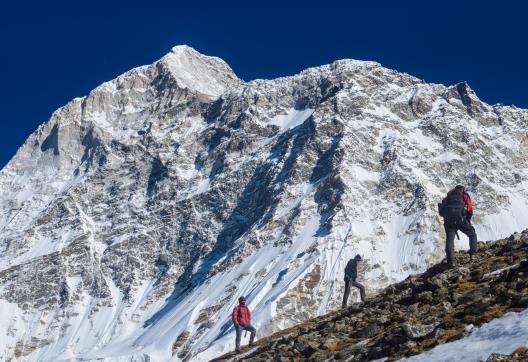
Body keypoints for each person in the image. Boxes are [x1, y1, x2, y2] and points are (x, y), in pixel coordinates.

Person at [438, 185, 478, 267]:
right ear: (463, 189)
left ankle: (451, 261)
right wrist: (467, 220)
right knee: (472, 233)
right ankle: (473, 255)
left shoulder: (448, 197)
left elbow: (441, 212)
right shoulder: (464, 195)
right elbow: (470, 209)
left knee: (450, 240)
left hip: (448, 221)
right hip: (460, 219)